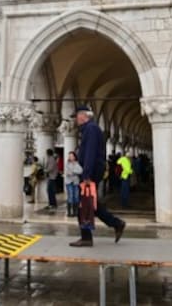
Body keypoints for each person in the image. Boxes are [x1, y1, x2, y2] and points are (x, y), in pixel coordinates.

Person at [69, 106, 125, 248]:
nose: (76, 119)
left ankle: (87, 238)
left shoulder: (91, 129)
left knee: (83, 206)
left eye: (76, 116)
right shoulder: (90, 129)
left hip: (91, 172)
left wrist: (87, 174)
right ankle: (116, 224)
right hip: (92, 171)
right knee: (90, 204)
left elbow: (90, 153)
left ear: (83, 116)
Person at [64, 151, 82, 217]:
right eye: (69, 156)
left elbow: (80, 171)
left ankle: (76, 212)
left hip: (76, 182)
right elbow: (67, 172)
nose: (70, 157)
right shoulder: (67, 164)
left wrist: (73, 171)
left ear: (74, 157)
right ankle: (69, 212)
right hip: (69, 182)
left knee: (76, 197)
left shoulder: (77, 163)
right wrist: (74, 172)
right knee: (70, 197)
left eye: (71, 156)